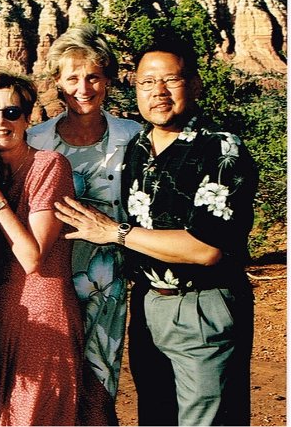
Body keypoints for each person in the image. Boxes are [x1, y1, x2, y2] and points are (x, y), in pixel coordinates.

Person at [55, 37, 257, 426]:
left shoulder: (220, 150)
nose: (158, 92)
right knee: (155, 417)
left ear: (195, 85)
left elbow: (206, 247)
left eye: (171, 80)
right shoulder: (138, 147)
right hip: (148, 306)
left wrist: (115, 232)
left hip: (202, 304)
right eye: (147, 83)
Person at [0, 70, 113, 426]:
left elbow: (32, 257)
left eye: (11, 112)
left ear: (27, 119)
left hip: (42, 315)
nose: (0, 122)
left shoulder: (49, 165)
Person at [26, 24, 140, 402]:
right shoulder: (36, 139)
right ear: (58, 82)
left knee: (99, 383)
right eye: (73, 78)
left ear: (107, 79)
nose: (84, 88)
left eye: (93, 76)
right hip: (51, 276)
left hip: (108, 277)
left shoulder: (132, 136)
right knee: (52, 383)